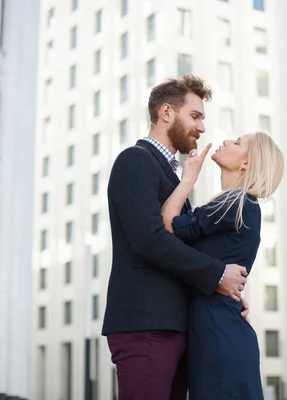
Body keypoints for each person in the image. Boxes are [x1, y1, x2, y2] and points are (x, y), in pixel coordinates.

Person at [102, 75, 250, 400]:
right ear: (167, 113)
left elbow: (181, 249)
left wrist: (225, 295)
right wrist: (216, 275)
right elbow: (149, 239)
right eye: (195, 116)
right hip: (145, 326)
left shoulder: (174, 176)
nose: (202, 128)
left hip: (172, 328)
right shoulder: (135, 160)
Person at [161, 132, 285, 399]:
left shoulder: (236, 205)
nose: (227, 141)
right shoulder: (234, 205)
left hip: (218, 335)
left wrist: (188, 180)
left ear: (245, 164)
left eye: (237, 143)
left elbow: (168, 226)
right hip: (216, 329)